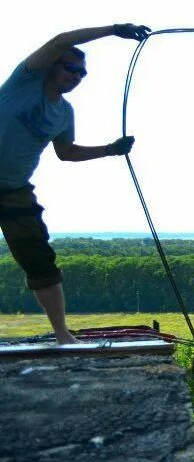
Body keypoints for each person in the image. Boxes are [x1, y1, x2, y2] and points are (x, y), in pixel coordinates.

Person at [0, 23, 148, 342]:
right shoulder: (24, 82)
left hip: (12, 191)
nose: (76, 77)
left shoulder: (64, 114)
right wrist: (115, 30)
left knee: (41, 261)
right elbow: (61, 39)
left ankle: (63, 335)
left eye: (82, 75)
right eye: (70, 68)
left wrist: (109, 150)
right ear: (52, 65)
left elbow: (66, 152)